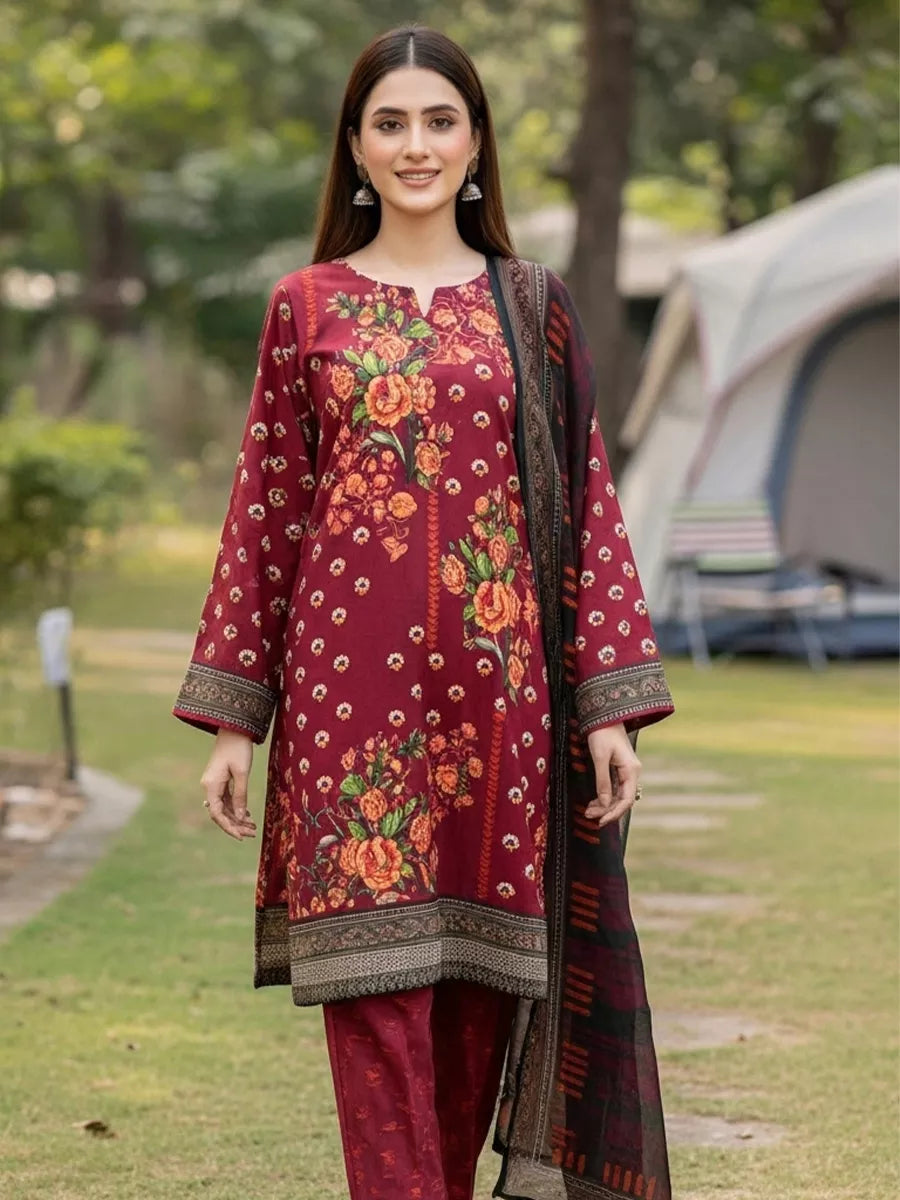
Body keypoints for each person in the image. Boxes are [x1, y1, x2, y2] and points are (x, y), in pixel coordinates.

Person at [173, 23, 675, 1200]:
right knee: (373, 997)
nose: (415, 145)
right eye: (389, 123)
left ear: (477, 142)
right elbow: (266, 513)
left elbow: (587, 503)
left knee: (473, 1006)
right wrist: (237, 721)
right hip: (347, 709)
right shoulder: (305, 306)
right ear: (353, 147)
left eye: (439, 121)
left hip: (501, 707)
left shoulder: (532, 305)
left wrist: (605, 707)